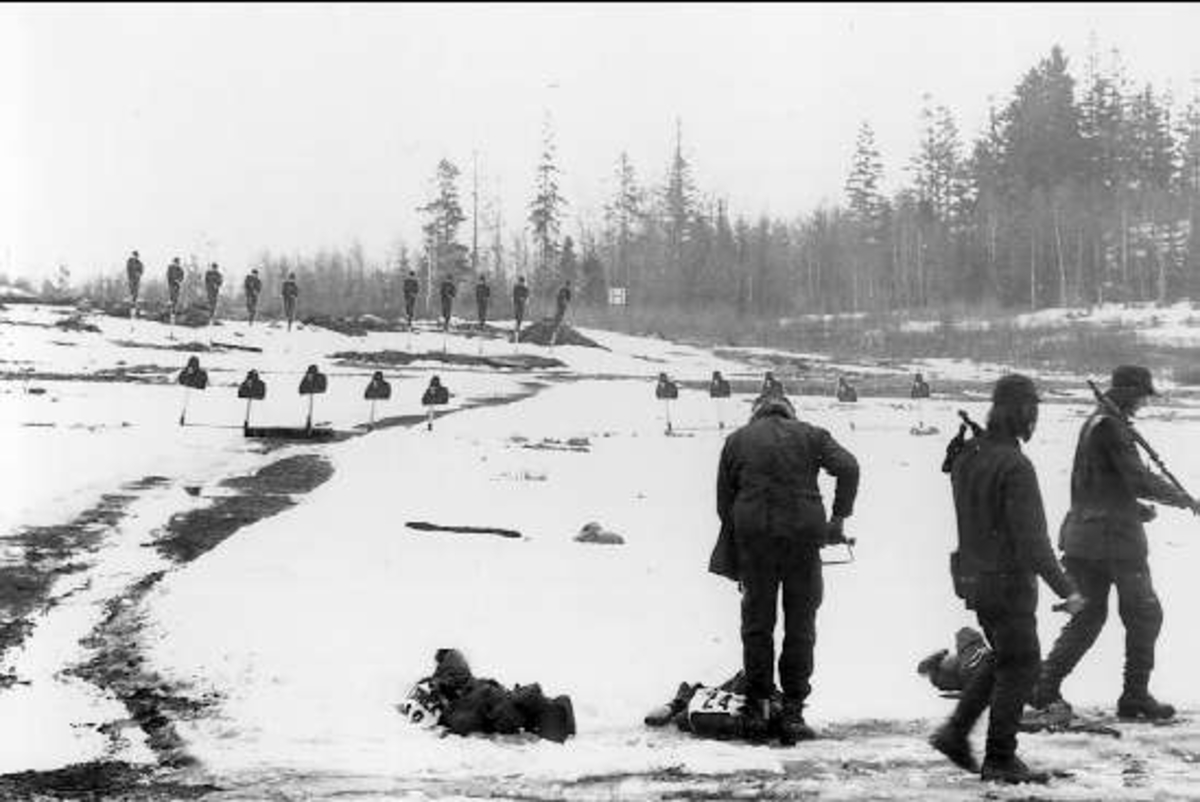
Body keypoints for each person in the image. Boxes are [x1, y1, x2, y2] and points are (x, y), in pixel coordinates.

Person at [931, 373, 1084, 785]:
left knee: (1005, 657)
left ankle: (955, 733)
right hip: (1008, 581)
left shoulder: (970, 454)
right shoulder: (1014, 464)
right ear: (1020, 411)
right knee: (1023, 664)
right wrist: (1067, 589)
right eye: (1032, 410)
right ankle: (1000, 757)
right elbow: (1032, 541)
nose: (1035, 419)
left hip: (974, 578)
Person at [1032, 366, 1199, 720]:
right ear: (1128, 392)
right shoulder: (1111, 427)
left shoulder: (1096, 423)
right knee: (1145, 614)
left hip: (1084, 537)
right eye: (1141, 396)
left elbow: (1100, 484)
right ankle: (1134, 696)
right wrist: (1184, 499)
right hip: (1115, 543)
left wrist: (1134, 509)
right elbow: (1138, 479)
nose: (1143, 403)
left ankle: (1045, 685)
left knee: (1089, 616)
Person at [713, 392, 859, 746]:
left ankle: (759, 708)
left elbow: (724, 503)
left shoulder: (736, 440)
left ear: (756, 413)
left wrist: (741, 543)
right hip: (803, 538)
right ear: (789, 411)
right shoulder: (811, 435)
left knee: (757, 623)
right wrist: (838, 518)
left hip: (756, 539)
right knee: (801, 623)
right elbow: (849, 467)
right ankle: (793, 710)